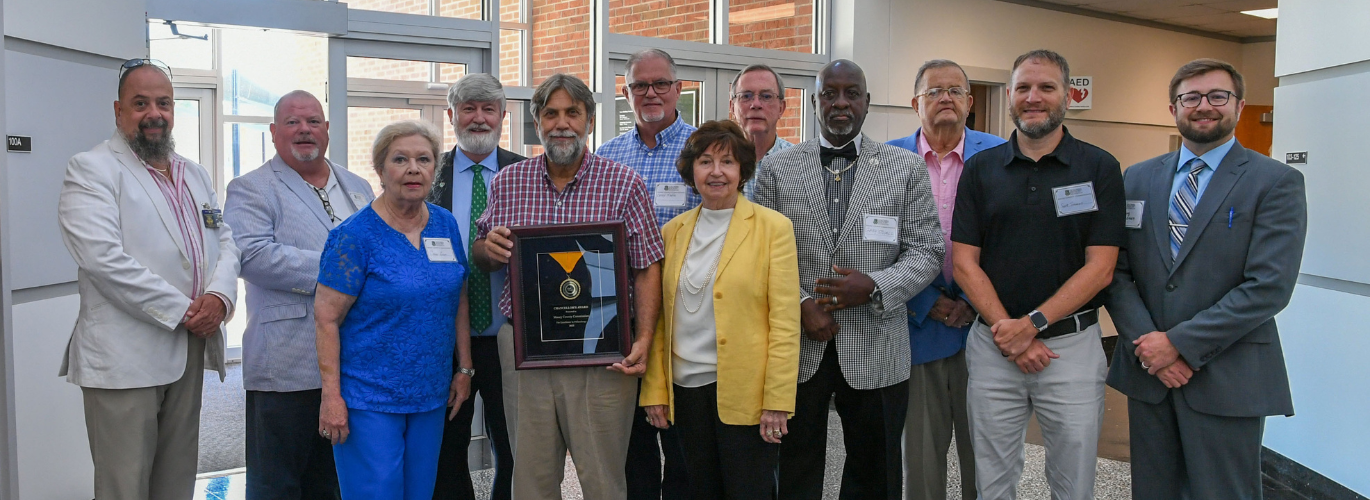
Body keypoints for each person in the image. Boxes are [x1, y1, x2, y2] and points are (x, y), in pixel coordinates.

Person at [1106, 59, 1306, 499]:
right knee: (1153, 491)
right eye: (1191, 97)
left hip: (1228, 374)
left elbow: (1268, 286)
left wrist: (1178, 344)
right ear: (1173, 107)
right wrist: (1150, 346)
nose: (1204, 106)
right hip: (1149, 373)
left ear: (1239, 104)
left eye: (1217, 96)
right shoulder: (1138, 178)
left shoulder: (1275, 182)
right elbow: (1116, 272)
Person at [753, 59, 944, 500]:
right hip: (799, 347)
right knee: (796, 467)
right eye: (830, 93)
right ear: (815, 101)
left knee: (875, 470)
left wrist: (875, 286)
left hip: (878, 343)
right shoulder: (779, 170)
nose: (840, 103)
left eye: (851, 93)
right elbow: (762, 254)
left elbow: (928, 250)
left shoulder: (905, 168)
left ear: (867, 102)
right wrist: (801, 303)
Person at [471, 73, 665, 500]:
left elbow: (647, 266)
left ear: (590, 121)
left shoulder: (624, 182)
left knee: (603, 479)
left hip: (604, 350)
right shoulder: (507, 182)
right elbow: (482, 253)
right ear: (537, 123)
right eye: (550, 113)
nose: (561, 123)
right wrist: (490, 248)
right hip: (526, 349)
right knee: (532, 479)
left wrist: (645, 337)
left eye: (572, 113)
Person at [57, 58, 239, 500]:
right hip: (126, 361)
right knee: (126, 486)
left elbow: (226, 241)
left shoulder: (193, 174)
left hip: (189, 350)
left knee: (176, 481)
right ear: (119, 111)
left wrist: (218, 296)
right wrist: (185, 311)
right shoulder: (92, 168)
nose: (154, 113)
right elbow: (103, 260)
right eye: (141, 103)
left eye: (163, 102)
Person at [951, 49, 1125, 500]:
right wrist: (1008, 333)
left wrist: (1032, 327)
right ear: (1009, 96)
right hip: (994, 348)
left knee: (1073, 482)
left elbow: (1101, 267)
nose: (1034, 97)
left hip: (1070, 349)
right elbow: (964, 262)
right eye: (1023, 88)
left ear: (1067, 95)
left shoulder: (1100, 167)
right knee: (992, 480)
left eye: (1046, 87)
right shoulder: (981, 169)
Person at [639, 120, 801, 499]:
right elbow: (659, 319)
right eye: (705, 161)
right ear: (691, 169)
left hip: (745, 394)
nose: (716, 172)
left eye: (727, 162)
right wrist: (654, 390)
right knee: (692, 490)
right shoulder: (672, 232)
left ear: (742, 170)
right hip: (683, 393)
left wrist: (777, 400)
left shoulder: (773, 228)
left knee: (749, 491)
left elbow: (785, 324)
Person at [225, 90, 374, 500]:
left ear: (327, 129)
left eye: (313, 121)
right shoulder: (250, 188)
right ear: (274, 132)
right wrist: (341, 272)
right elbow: (253, 255)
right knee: (278, 483)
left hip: (351, 361)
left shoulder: (358, 186)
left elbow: (379, 247)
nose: (304, 129)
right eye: (292, 122)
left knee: (333, 480)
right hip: (286, 364)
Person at [314, 120, 472, 500]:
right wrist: (331, 397)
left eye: (424, 159)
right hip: (370, 398)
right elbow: (326, 317)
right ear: (381, 170)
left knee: (420, 492)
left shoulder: (445, 224)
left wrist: (464, 367)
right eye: (400, 159)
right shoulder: (353, 236)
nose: (413, 169)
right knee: (377, 493)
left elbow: (459, 296)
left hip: (431, 394)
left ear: (435, 168)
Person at [886, 59, 1005, 500]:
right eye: (934, 91)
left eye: (955, 91)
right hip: (917, 327)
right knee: (920, 458)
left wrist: (978, 302)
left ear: (970, 103)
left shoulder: (999, 156)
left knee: (987, 457)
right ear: (915, 102)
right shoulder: (885, 160)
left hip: (988, 326)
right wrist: (922, 302)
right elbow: (872, 244)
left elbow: (1015, 242)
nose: (945, 99)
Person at [596, 49, 694, 499]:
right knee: (630, 443)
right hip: (621, 320)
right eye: (639, 85)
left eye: (660, 84)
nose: (650, 93)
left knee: (682, 444)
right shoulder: (605, 157)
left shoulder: (704, 150)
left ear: (678, 89)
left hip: (685, 319)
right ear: (626, 93)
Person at [429, 73, 525, 500]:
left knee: (518, 448)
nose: (479, 118)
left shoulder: (527, 173)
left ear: (503, 116)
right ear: (451, 115)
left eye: (489, 109)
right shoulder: (426, 175)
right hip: (445, 338)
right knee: (446, 451)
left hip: (512, 337)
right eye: (469, 108)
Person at [729, 64, 794, 197]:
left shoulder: (800, 163)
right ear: (732, 107)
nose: (756, 104)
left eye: (766, 96)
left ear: (781, 108)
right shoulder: (717, 164)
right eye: (746, 96)